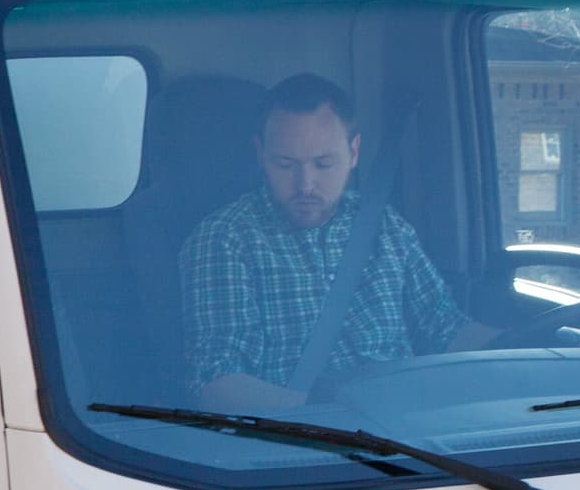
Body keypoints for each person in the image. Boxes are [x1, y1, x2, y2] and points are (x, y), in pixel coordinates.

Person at [184, 74, 493, 412]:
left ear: (354, 151)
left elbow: (445, 326)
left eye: (324, 163)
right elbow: (217, 381)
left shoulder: (384, 225)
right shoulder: (226, 237)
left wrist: (529, 346)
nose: (306, 184)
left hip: (408, 425)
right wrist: (333, 416)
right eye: (285, 164)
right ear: (260, 153)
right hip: (300, 436)